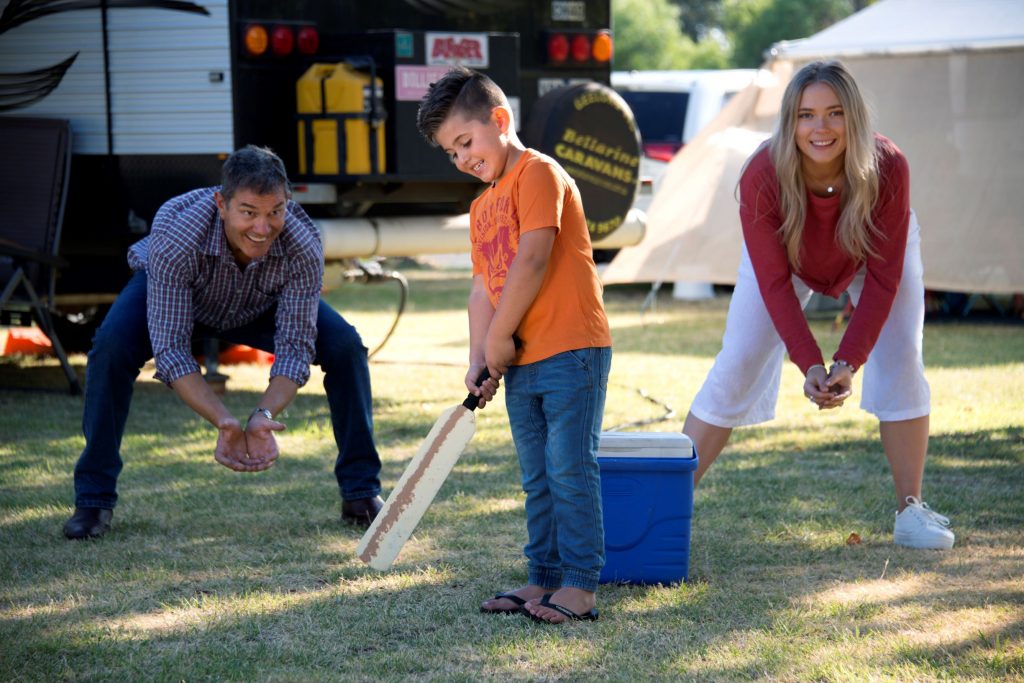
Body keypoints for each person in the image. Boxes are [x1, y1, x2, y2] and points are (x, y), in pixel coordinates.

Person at [682, 60, 954, 549]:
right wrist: (809, 362)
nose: (820, 128)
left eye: (834, 114)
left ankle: (910, 511)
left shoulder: (889, 166)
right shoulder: (762, 174)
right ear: (790, 122)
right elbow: (772, 282)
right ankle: (669, 504)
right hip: (787, 262)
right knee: (739, 358)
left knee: (903, 358)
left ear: (854, 117)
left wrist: (848, 361)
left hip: (872, 258)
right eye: (807, 115)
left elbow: (886, 277)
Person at [63, 145, 384, 539]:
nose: (263, 228)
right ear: (222, 203)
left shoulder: (303, 241)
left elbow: (296, 347)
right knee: (110, 349)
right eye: (249, 212)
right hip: (180, 296)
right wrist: (224, 421)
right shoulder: (178, 233)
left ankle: (360, 493)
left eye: (275, 212)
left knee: (346, 347)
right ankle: (93, 501)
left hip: (259, 303)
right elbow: (171, 350)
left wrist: (261, 416)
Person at [417, 67, 613, 623]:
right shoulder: (481, 207)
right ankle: (543, 578)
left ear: (499, 121)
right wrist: (481, 355)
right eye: (450, 153)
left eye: (466, 142)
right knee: (537, 474)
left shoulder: (539, 174)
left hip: (572, 348)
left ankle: (579, 585)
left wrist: (502, 336)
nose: (462, 159)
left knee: (570, 466)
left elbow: (532, 258)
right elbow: (483, 286)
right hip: (521, 359)